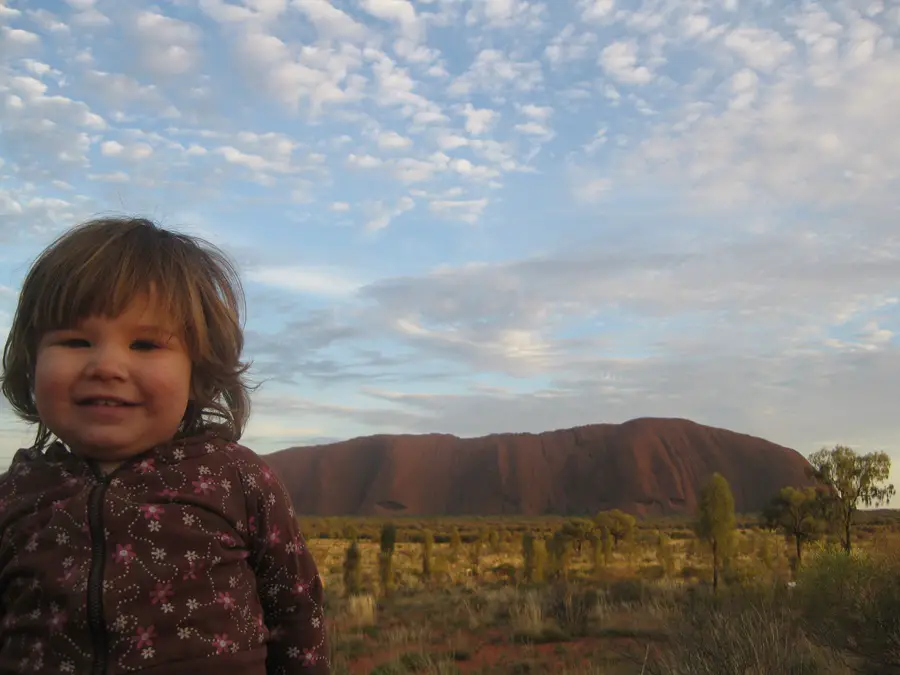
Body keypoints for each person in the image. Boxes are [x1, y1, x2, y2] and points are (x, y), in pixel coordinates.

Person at [0, 217, 330, 674]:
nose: (107, 365)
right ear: (31, 362)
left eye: (145, 344)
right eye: (75, 341)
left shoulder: (235, 478)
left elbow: (297, 613)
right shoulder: (16, 493)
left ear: (197, 372)